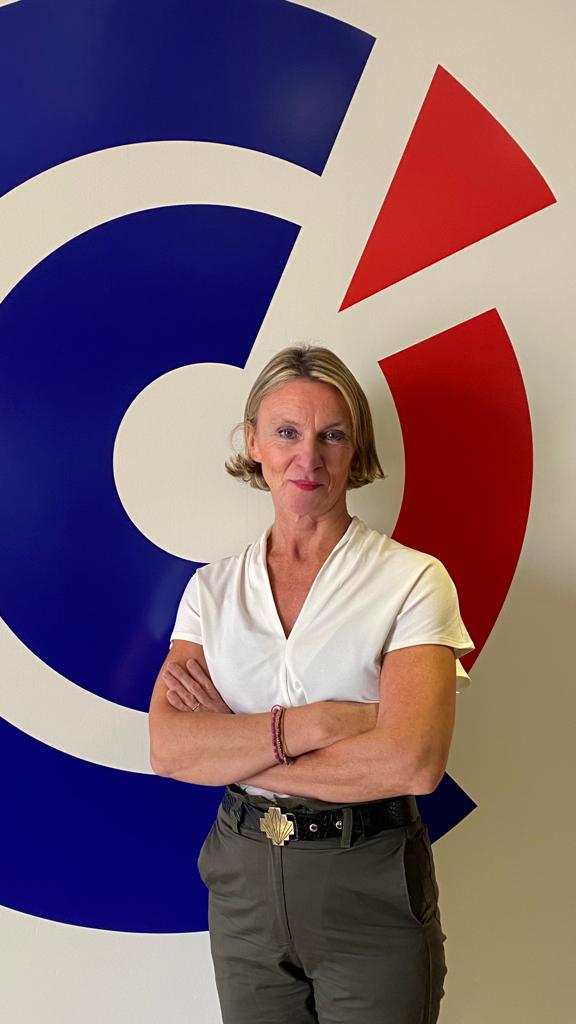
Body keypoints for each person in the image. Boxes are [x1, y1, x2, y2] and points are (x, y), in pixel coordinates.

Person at [148, 344, 475, 1024]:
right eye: (287, 433)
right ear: (253, 443)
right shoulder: (211, 591)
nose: (308, 458)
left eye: (332, 435)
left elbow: (413, 763)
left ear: (356, 449)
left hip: (369, 882)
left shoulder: (412, 580)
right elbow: (171, 750)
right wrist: (324, 723)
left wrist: (235, 748)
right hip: (242, 880)